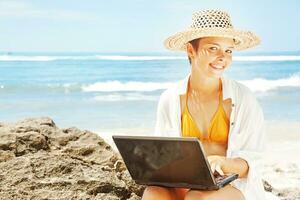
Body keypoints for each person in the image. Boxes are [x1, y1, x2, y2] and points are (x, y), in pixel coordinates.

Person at [142, 9, 266, 200]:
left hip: (229, 187)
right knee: (153, 193)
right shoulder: (170, 98)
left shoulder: (243, 98)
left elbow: (254, 162)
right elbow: (163, 158)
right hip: (184, 185)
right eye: (213, 48)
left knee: (197, 197)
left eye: (228, 51)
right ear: (191, 50)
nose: (223, 57)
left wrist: (223, 163)